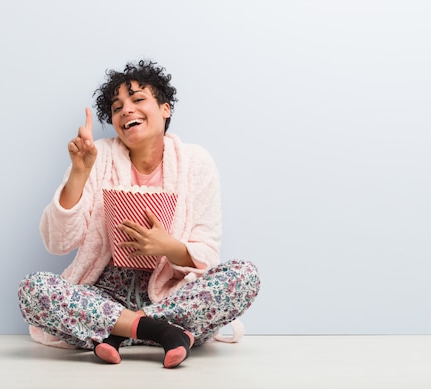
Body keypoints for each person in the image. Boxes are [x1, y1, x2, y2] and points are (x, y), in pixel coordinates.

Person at [17, 59, 261, 368]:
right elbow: (58, 242)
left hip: (168, 296)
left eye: (138, 99)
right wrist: (79, 173)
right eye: (117, 107)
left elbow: (208, 253)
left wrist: (167, 247)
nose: (126, 110)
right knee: (32, 289)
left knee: (244, 276)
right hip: (102, 296)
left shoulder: (196, 162)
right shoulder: (98, 157)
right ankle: (162, 332)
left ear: (164, 108)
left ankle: (120, 331)